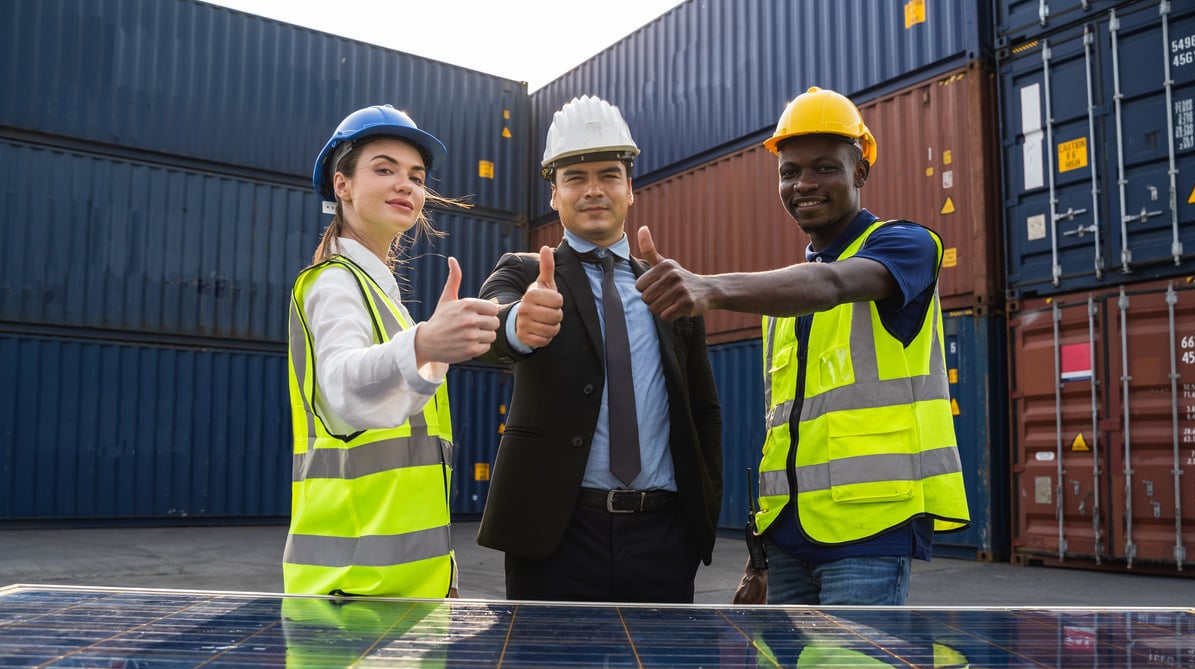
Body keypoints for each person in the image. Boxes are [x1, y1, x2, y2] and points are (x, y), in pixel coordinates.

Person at [637, 86, 970, 605]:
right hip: (788, 541)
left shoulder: (907, 246)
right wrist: (759, 551)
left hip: (868, 534)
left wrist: (709, 287)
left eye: (824, 168)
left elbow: (833, 285)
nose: (804, 184)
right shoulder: (782, 298)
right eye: (789, 172)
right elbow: (785, 428)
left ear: (860, 171)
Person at [475, 95, 723, 603]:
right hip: (554, 537)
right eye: (575, 178)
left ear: (630, 189)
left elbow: (704, 412)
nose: (593, 191)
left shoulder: (669, 285)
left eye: (609, 175)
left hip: (663, 536)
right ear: (554, 194)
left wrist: (703, 514)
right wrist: (520, 322)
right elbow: (487, 327)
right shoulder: (525, 272)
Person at [283, 104, 500, 598]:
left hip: (401, 587)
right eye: (384, 169)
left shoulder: (385, 301)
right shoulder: (335, 282)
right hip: (351, 592)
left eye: (416, 177)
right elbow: (341, 388)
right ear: (343, 185)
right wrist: (425, 342)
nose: (406, 185)